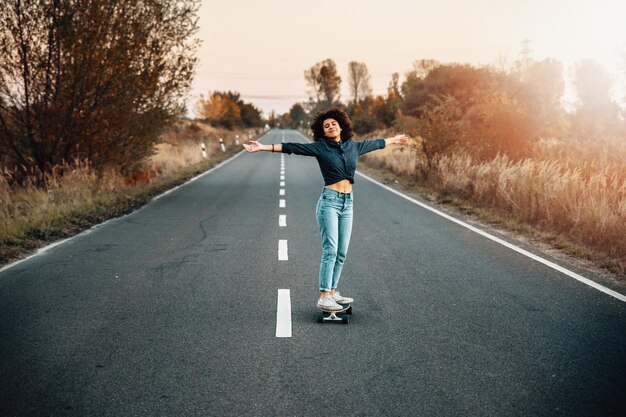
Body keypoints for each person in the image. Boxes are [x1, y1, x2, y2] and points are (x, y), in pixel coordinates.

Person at [243, 108, 408, 311]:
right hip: (329, 202)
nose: (330, 127)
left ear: (341, 125)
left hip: (348, 203)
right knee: (330, 250)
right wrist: (262, 147)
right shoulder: (320, 147)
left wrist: (394, 139)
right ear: (322, 131)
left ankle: (332, 292)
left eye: (333, 123)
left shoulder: (352, 146)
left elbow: (376, 143)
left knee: (342, 252)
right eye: (326, 126)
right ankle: (323, 295)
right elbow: (292, 147)